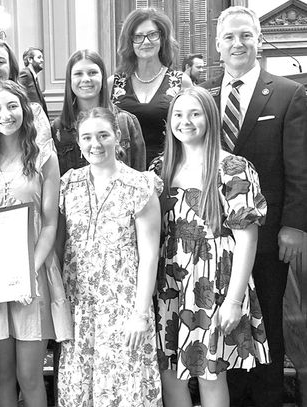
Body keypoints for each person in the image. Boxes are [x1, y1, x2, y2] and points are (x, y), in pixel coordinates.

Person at [200, 6, 307, 406]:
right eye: (229, 37)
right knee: (226, 324)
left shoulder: (287, 93)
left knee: (266, 326)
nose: (237, 44)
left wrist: (294, 225)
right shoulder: (207, 98)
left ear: (258, 42)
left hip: (266, 236)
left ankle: (267, 399)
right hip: (213, 238)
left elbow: (299, 166)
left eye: (245, 35)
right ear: (217, 46)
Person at [150, 86, 270, 407]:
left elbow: (247, 238)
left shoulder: (233, 168)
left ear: (210, 118)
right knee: (169, 372)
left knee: (209, 373)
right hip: (168, 280)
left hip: (213, 281)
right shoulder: (159, 169)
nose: (185, 121)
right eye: (178, 114)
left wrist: (233, 300)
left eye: (194, 113)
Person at [0, 80, 72, 407]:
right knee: (3, 377)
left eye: (12, 106)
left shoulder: (43, 157)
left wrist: (27, 272)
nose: (4, 114)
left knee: (30, 376)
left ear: (25, 111)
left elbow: (50, 223)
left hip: (32, 276)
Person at [57, 107, 162, 406]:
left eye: (103, 135)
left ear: (118, 138)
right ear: (78, 142)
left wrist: (140, 314)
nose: (96, 144)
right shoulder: (68, 184)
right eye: (87, 137)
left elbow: (149, 255)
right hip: (80, 308)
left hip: (123, 307)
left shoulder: (140, 185)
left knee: (124, 389)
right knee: (80, 389)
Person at [110, 7, 185, 165]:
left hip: (169, 170)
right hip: (124, 172)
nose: (146, 42)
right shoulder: (113, 84)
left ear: (162, 38)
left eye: (152, 34)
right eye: (138, 36)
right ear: (129, 42)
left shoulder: (180, 82)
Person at [52, 49, 146, 175]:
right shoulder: (58, 128)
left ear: (102, 77)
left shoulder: (126, 122)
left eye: (92, 73)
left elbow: (139, 176)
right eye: (78, 74)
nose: (86, 79)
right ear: (70, 80)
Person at [19, 47, 48, 116]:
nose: (42, 60)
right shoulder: (25, 74)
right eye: (39, 57)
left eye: (42, 58)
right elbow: (19, 95)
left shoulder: (33, 76)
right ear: (30, 60)